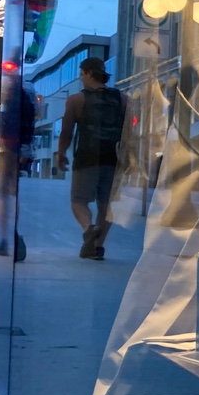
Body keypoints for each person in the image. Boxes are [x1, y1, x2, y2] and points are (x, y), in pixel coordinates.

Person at [55, 57, 126, 260]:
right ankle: (96, 247)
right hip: (113, 159)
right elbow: (131, 130)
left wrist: (61, 154)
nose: (80, 78)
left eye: (81, 74)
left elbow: (67, 131)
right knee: (107, 205)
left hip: (86, 157)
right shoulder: (122, 99)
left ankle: (89, 228)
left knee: (78, 200)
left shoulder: (77, 100)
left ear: (87, 73)